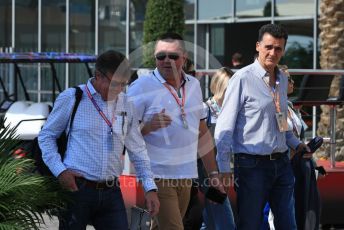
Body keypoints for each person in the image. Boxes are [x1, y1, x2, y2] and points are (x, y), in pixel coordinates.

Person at [38, 50, 159, 230]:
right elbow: (46, 136)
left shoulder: (127, 104)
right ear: (98, 76)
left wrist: (149, 188)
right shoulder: (72, 97)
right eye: (115, 83)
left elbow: (137, 149)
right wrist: (60, 172)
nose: (119, 90)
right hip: (77, 190)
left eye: (123, 84)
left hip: (112, 191)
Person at [215, 24, 311, 230]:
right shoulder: (242, 78)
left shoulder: (282, 79)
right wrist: (223, 168)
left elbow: (281, 119)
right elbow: (224, 126)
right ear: (258, 46)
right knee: (250, 224)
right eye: (268, 47)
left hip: (282, 163)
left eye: (278, 48)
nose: (273, 52)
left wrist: (297, 143)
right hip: (251, 166)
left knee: (288, 224)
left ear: (283, 50)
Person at [127, 32, 225, 230]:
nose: (166, 60)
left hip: (186, 175)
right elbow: (124, 132)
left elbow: (202, 131)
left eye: (172, 56)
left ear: (184, 58)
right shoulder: (141, 87)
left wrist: (213, 173)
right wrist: (147, 127)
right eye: (160, 56)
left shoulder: (194, 85)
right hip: (157, 175)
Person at [200, 66, 236, 230]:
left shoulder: (233, 112)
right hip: (207, 176)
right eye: (230, 87)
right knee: (225, 223)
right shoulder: (205, 109)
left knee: (212, 222)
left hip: (227, 173)